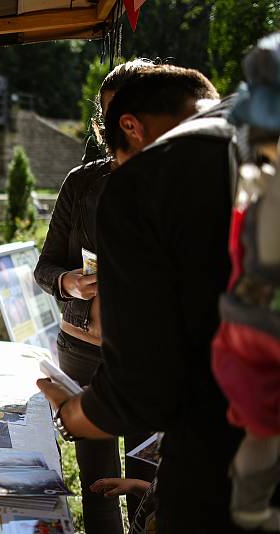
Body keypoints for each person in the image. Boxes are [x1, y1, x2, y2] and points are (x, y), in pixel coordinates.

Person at [36, 67, 256, 532]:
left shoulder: (148, 180)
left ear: (132, 129)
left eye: (120, 157)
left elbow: (143, 385)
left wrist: (71, 412)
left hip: (224, 467)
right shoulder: (258, 132)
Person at [33, 60, 156, 534]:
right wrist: (68, 282)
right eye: (109, 113)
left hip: (146, 359)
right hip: (82, 355)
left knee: (148, 485)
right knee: (99, 486)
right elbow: (44, 267)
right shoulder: (81, 182)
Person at [211, 33, 280, 532]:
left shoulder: (259, 184)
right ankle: (252, 509)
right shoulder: (266, 189)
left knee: (262, 433)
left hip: (247, 330)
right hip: (260, 326)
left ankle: (250, 508)